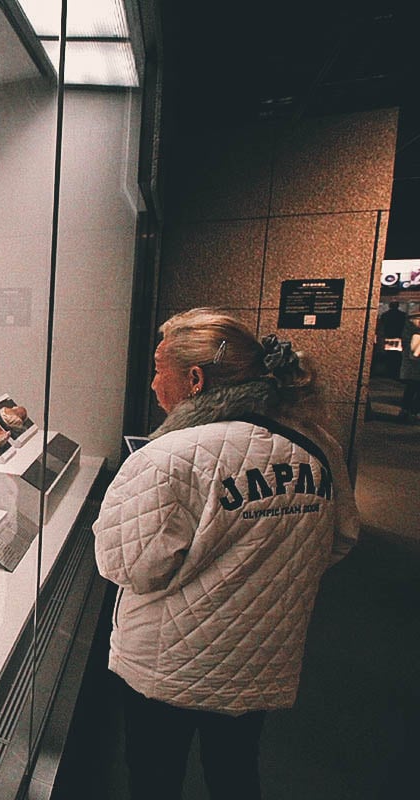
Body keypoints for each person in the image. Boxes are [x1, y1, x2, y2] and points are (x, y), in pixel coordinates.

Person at [94, 308, 359, 800]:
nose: (153, 383)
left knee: (154, 778)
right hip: (259, 659)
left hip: (168, 667)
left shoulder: (167, 457)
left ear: (195, 380)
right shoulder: (317, 446)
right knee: (236, 773)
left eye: (159, 368)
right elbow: (340, 539)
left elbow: (126, 567)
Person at [400, 311, 420, 422]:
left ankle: (404, 410)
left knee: (410, 387)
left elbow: (405, 342)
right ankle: (414, 412)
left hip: (412, 361)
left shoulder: (410, 320)